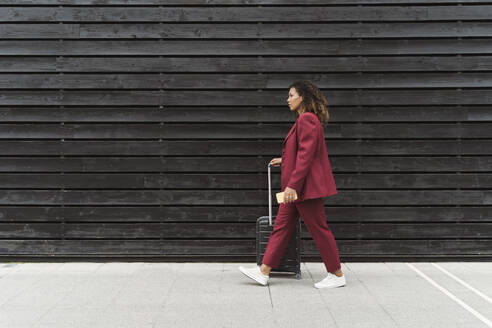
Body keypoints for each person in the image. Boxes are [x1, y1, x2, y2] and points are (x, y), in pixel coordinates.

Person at [239, 80, 345, 289]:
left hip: (303, 190)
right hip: (297, 189)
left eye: (291, 95)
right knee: (281, 227)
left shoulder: (307, 119)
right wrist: (284, 160)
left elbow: (306, 156)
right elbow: (301, 153)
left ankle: (337, 273)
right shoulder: (305, 120)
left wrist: (292, 186)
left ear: (302, 97)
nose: (287, 99)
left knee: (319, 229)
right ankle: (264, 271)